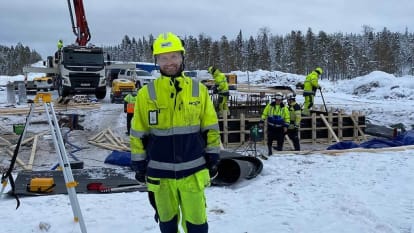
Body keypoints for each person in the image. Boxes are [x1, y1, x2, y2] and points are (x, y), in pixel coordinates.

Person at [130, 32, 220, 233]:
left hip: (193, 173)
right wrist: (139, 164)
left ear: (182, 57)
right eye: (163, 57)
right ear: (156, 61)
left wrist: (213, 157)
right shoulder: (147, 94)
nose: (169, 62)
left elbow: (211, 128)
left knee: (197, 225)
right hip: (160, 176)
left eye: (174, 56)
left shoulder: (199, 90)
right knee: (168, 225)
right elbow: (138, 132)